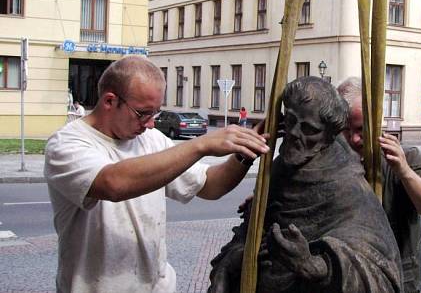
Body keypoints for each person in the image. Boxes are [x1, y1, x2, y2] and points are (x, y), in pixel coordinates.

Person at [44, 56, 270, 293]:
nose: (150, 124)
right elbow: (112, 183)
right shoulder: (67, 144)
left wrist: (247, 151)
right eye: (143, 113)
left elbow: (212, 185)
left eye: (155, 113)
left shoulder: (151, 139)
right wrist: (201, 145)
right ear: (110, 101)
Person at [210, 76, 403, 293]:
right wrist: (236, 259)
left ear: (330, 135)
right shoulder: (277, 168)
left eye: (309, 129)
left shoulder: (348, 186)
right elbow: (249, 234)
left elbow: (379, 272)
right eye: (291, 121)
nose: (294, 134)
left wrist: (315, 266)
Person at [337, 77, 421, 293]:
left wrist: (404, 171)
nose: (354, 139)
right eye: (344, 130)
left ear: (377, 121)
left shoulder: (408, 157)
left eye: (360, 129)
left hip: (397, 278)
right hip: (349, 279)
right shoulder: (333, 162)